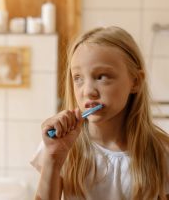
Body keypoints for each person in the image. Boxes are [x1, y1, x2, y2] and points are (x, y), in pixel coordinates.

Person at [31, 26, 169, 200]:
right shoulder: (58, 145)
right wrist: (53, 159)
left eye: (102, 76)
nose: (88, 91)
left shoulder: (162, 152)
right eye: (78, 78)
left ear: (135, 81)